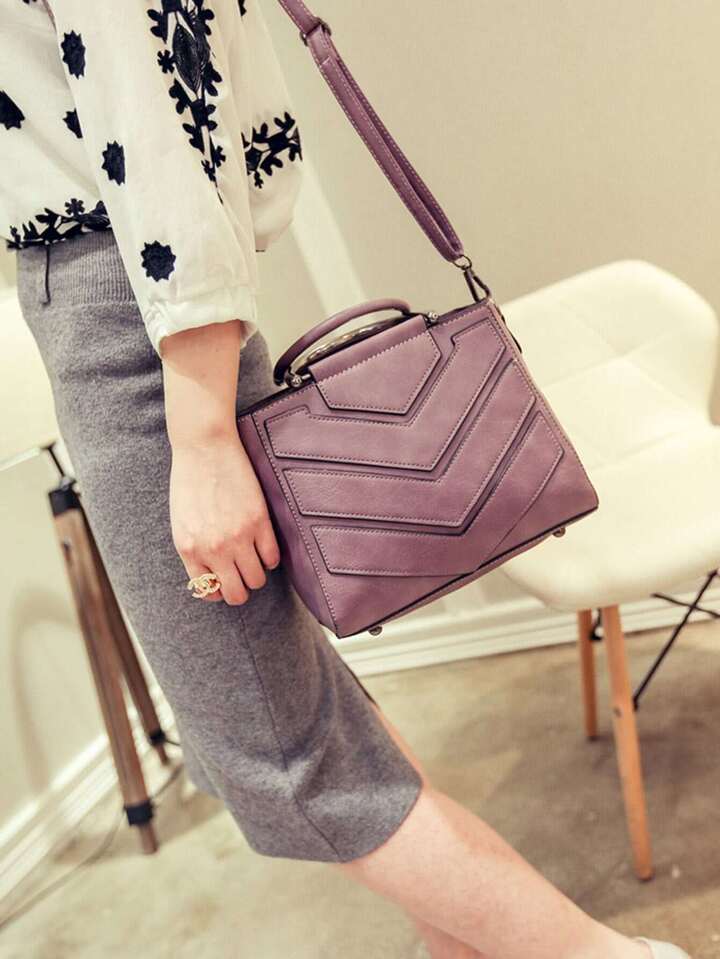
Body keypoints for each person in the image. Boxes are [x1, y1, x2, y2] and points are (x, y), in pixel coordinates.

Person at [1, 3, 688, 958]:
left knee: (285, 759)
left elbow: (155, 121)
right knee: (298, 716)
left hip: (127, 315)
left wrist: (202, 438)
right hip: (128, 305)